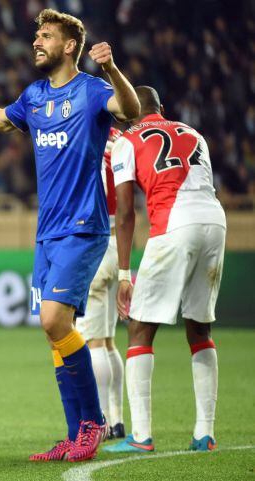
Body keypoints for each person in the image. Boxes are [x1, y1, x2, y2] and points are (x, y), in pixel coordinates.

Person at [0, 8, 139, 462]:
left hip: (83, 226)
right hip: (46, 233)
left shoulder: (93, 90)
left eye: (47, 36)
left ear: (69, 45)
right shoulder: (34, 96)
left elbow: (131, 111)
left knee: (55, 320)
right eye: (36, 35)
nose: (37, 42)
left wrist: (112, 68)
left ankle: (93, 423)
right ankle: (75, 435)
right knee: (56, 332)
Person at [104, 86, 225, 454]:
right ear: (163, 108)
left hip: (173, 223)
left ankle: (140, 436)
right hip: (215, 222)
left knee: (139, 327)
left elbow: (125, 211)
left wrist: (125, 274)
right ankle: (204, 434)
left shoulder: (126, 140)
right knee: (199, 328)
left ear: (126, 112)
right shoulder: (193, 132)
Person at [75, 127, 126, 439]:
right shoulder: (120, 139)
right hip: (117, 240)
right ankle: (117, 418)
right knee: (107, 341)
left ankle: (102, 419)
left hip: (91, 241)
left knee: (92, 341)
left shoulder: (80, 136)